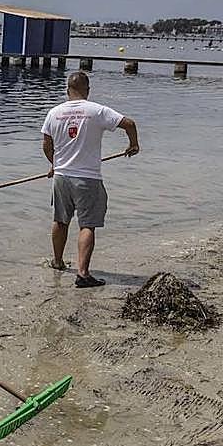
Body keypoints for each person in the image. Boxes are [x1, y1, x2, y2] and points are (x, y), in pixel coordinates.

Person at [40, 71, 139, 288]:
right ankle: (83, 274)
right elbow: (129, 124)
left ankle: (57, 262)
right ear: (88, 90)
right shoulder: (97, 110)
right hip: (88, 178)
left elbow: (47, 145)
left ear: (67, 90)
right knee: (88, 225)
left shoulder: (54, 113)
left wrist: (55, 164)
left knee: (60, 220)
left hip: (62, 177)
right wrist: (133, 145)